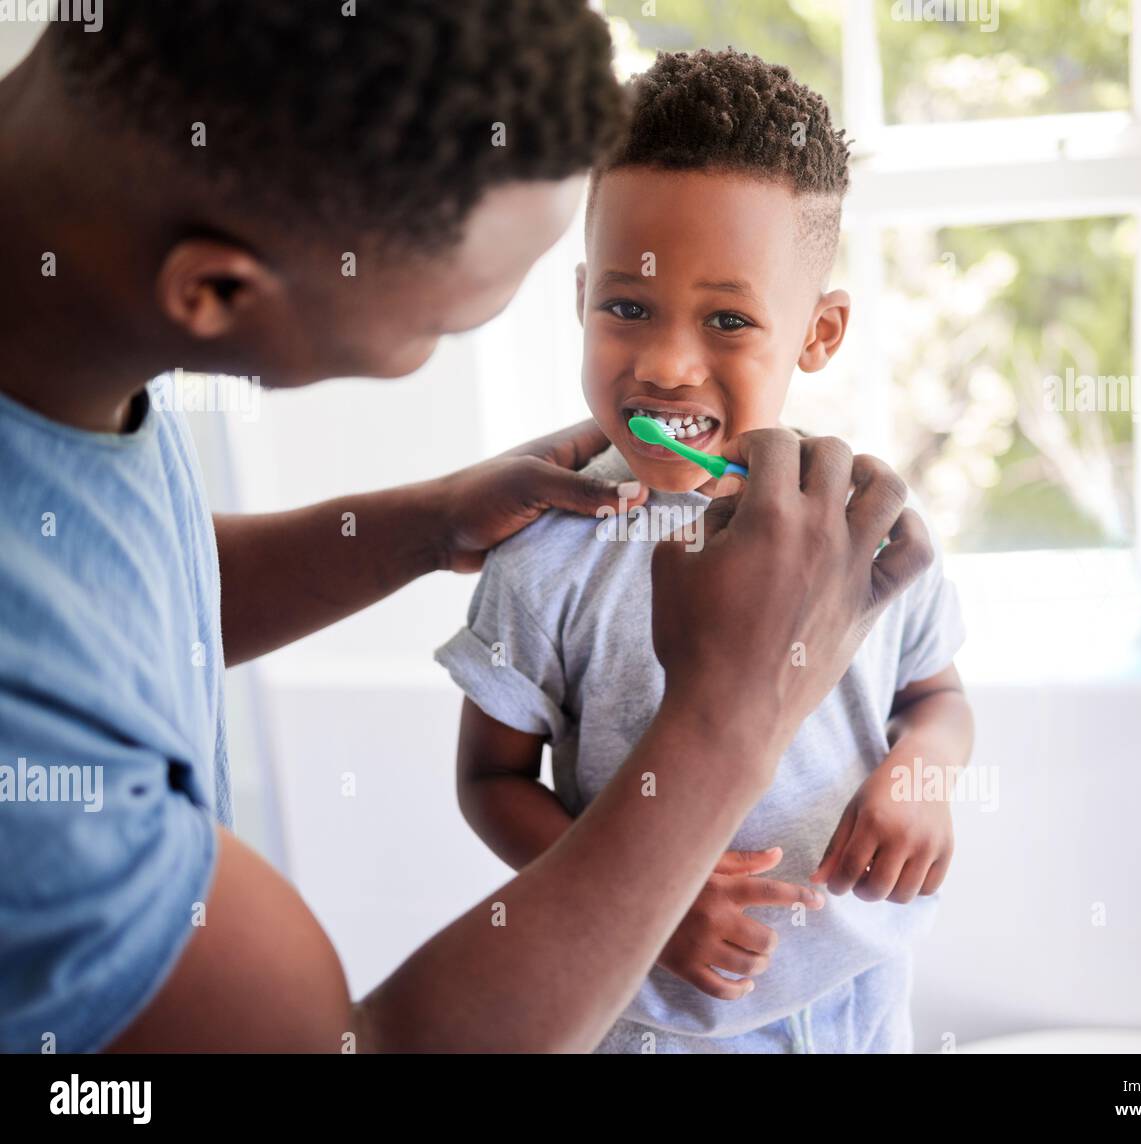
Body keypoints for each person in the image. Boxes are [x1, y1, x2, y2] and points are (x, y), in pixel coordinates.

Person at [0, 2, 934, 1053]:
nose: (661, 365)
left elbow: (117, 584)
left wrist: (428, 523)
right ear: (216, 290)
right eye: (447, 321)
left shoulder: (57, 349)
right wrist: (729, 714)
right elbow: (369, 1046)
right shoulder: (31, 767)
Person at [436, 49, 973, 1054]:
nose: (666, 364)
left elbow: (934, 701)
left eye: (727, 319)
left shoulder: (868, 525)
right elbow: (490, 782)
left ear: (818, 332)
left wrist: (926, 775)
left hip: (861, 990)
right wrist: (638, 899)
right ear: (582, 295)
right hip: (653, 1016)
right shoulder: (546, 550)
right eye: (627, 308)